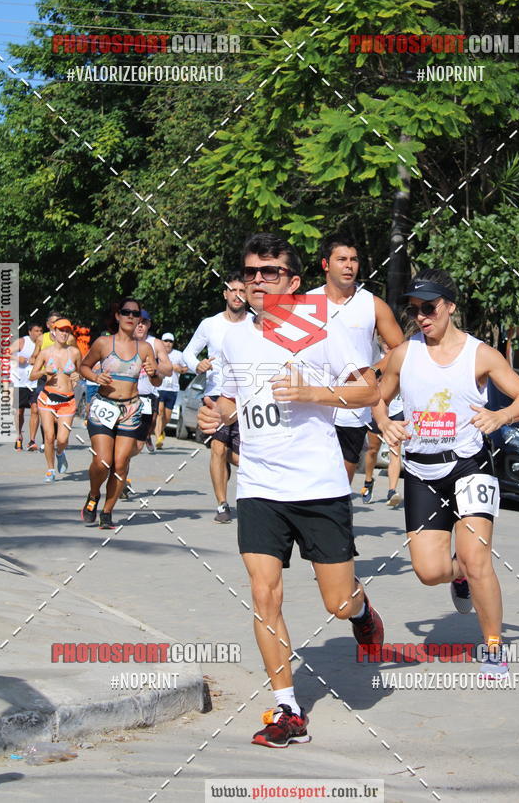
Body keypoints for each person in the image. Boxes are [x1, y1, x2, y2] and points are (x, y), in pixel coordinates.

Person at [198, 233, 384, 747]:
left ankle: (364, 613)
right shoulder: (232, 338)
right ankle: (287, 709)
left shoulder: (323, 327)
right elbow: (230, 404)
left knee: (337, 602)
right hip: (259, 485)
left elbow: (369, 389)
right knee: (264, 595)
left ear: (294, 281)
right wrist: (215, 415)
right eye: (251, 271)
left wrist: (311, 392)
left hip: (319, 484)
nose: (258, 279)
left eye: (271, 271)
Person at [374, 268, 519, 678]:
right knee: (429, 571)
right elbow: (373, 395)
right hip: (421, 470)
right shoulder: (404, 353)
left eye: (429, 308)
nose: (422, 317)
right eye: (415, 310)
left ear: (450, 306)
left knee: (476, 556)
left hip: (469, 465)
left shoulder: (480, 354)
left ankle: (494, 647)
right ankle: (459, 575)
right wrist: (384, 423)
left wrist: (501, 415)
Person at [309, 233, 404, 484]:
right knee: (309, 477)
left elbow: (399, 348)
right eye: (341, 259)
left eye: (353, 259)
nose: (349, 265)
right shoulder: (306, 303)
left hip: (352, 407)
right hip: (312, 404)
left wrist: (372, 370)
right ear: (325, 265)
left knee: (341, 481)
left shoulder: (371, 304)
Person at [79, 298, 161, 529]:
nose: (130, 317)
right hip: (104, 406)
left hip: (131, 409)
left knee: (121, 463)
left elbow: (156, 380)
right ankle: (94, 495)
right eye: (126, 312)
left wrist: (154, 373)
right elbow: (83, 366)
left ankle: (107, 511)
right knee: (103, 461)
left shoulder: (145, 348)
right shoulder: (104, 343)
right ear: (117, 316)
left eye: (135, 314)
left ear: (140, 320)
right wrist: (96, 377)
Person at [183, 274, 248, 523]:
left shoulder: (255, 323)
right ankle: (222, 505)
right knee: (218, 448)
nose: (238, 294)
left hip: (245, 398)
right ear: (225, 294)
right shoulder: (210, 324)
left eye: (243, 289)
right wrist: (196, 365)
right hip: (215, 395)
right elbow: (189, 353)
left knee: (242, 456)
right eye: (233, 289)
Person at [29, 318, 81, 482]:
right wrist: (44, 372)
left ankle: (60, 453)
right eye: (61, 330)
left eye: (67, 331)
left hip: (67, 400)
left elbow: (81, 372)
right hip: (47, 399)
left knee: (62, 439)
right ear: (54, 332)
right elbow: (32, 376)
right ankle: (50, 470)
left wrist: (77, 375)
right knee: (49, 437)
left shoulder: (74, 352)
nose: (64, 333)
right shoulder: (45, 353)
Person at [132, 311, 173, 456]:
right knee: (123, 442)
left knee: (137, 445)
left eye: (144, 322)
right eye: (138, 321)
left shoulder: (155, 343)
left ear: (149, 325)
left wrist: (154, 365)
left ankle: (147, 437)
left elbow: (168, 369)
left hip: (147, 396)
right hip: (125, 397)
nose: (141, 325)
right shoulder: (124, 341)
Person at [362, 395, 404, 506]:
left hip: (397, 412)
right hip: (378, 410)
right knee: (372, 450)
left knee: (395, 453)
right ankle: (368, 482)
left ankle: (392, 491)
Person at [10, 322, 43, 452]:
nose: (39, 333)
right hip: (21, 382)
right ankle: (19, 436)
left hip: (36, 383)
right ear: (30, 332)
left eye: (40, 331)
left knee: (35, 410)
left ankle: (32, 441)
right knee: (19, 412)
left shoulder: (43, 344)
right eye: (36, 331)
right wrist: (18, 358)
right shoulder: (22, 341)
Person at [155, 333, 188, 448]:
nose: (168, 343)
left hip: (172, 389)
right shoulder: (157, 353)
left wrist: (179, 369)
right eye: (166, 341)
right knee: (159, 412)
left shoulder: (179, 355)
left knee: (167, 417)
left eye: (170, 341)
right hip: (159, 387)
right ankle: (158, 438)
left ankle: (161, 430)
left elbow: (186, 368)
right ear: (162, 342)